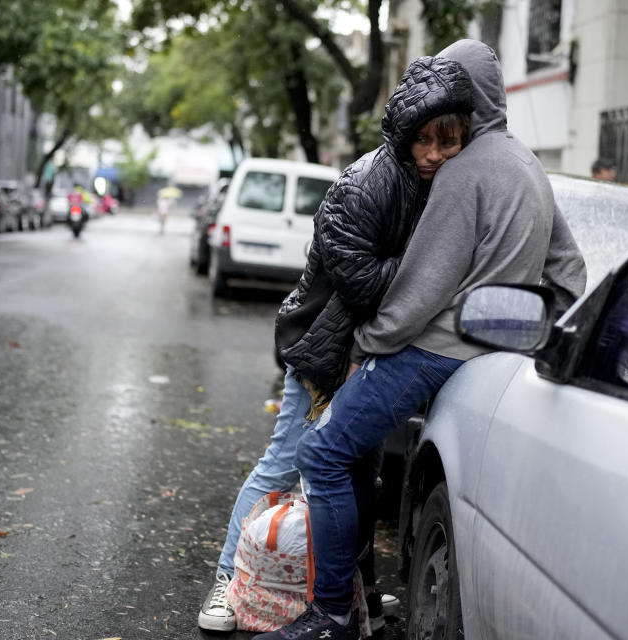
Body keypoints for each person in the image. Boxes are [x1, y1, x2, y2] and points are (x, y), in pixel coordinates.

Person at [257, 39, 587, 640]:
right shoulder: (528, 165)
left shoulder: (464, 170)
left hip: (432, 349)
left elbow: (420, 289)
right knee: (353, 460)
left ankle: (330, 616)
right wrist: (531, 333)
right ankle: (362, 608)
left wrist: (368, 348)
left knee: (322, 454)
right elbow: (569, 275)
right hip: (491, 356)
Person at [197, 55, 473, 633]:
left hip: (370, 354)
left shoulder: (438, 184)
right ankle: (228, 581)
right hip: (326, 350)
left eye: (446, 139)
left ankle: (344, 597)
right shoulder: (367, 184)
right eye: (422, 140)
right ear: (403, 137)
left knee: (357, 478)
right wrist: (434, 264)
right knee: (282, 464)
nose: (433, 152)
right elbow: (362, 281)